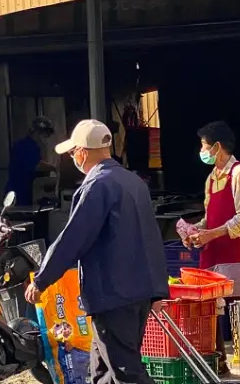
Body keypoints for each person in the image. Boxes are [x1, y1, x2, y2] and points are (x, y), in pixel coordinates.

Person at [25, 119, 169, 384]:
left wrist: (42, 280)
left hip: (113, 293)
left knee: (125, 371)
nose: (72, 158)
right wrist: (158, 289)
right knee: (102, 371)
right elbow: (151, 237)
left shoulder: (97, 185)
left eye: (72, 152)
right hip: (138, 291)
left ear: (82, 152)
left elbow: (73, 239)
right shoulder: (134, 182)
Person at [188, 121, 240, 375]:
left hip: (237, 252)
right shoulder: (211, 178)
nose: (202, 151)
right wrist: (196, 230)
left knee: (237, 307)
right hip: (213, 252)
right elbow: (210, 216)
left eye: (204, 146)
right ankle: (218, 363)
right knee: (211, 308)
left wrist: (212, 234)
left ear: (217, 147)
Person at [6, 117, 55, 206]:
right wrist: (54, 169)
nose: (45, 139)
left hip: (20, 192)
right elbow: (36, 165)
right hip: (20, 193)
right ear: (37, 132)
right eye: (45, 135)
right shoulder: (28, 146)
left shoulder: (26, 145)